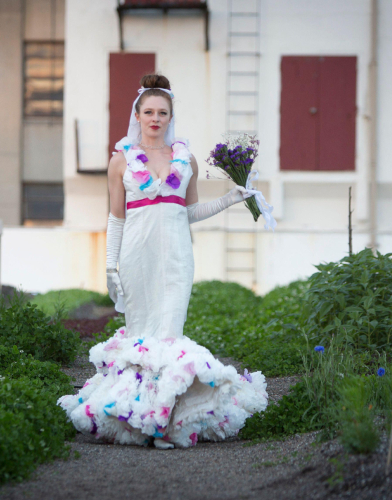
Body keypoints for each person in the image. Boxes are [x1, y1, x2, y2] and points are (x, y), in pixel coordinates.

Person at [57, 74, 268, 449]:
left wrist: (230, 199)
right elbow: (116, 217)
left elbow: (188, 212)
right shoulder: (120, 162)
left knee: (169, 333)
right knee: (142, 338)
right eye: (149, 111)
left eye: (163, 112)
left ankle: (168, 418)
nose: (156, 118)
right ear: (137, 115)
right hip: (136, 256)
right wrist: (110, 266)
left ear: (171, 117)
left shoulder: (184, 159)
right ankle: (137, 417)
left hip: (176, 258)